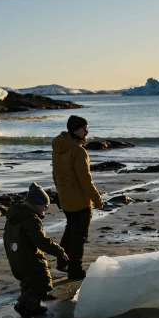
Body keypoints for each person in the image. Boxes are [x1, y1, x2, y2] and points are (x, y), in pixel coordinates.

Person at [51, 115, 104, 280]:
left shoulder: (59, 147)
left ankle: (62, 260)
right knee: (78, 236)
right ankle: (75, 270)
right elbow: (85, 180)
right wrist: (97, 199)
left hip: (65, 198)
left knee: (70, 229)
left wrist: (60, 193)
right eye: (84, 129)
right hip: (80, 201)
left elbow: (55, 175)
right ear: (75, 130)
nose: (87, 132)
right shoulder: (78, 151)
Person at [4, 182, 67, 318]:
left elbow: (7, 239)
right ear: (36, 204)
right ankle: (24, 305)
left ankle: (34, 307)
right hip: (29, 258)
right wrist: (59, 251)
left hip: (14, 257)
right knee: (43, 282)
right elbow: (42, 242)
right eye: (45, 206)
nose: (45, 210)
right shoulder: (31, 220)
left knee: (27, 282)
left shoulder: (14, 216)